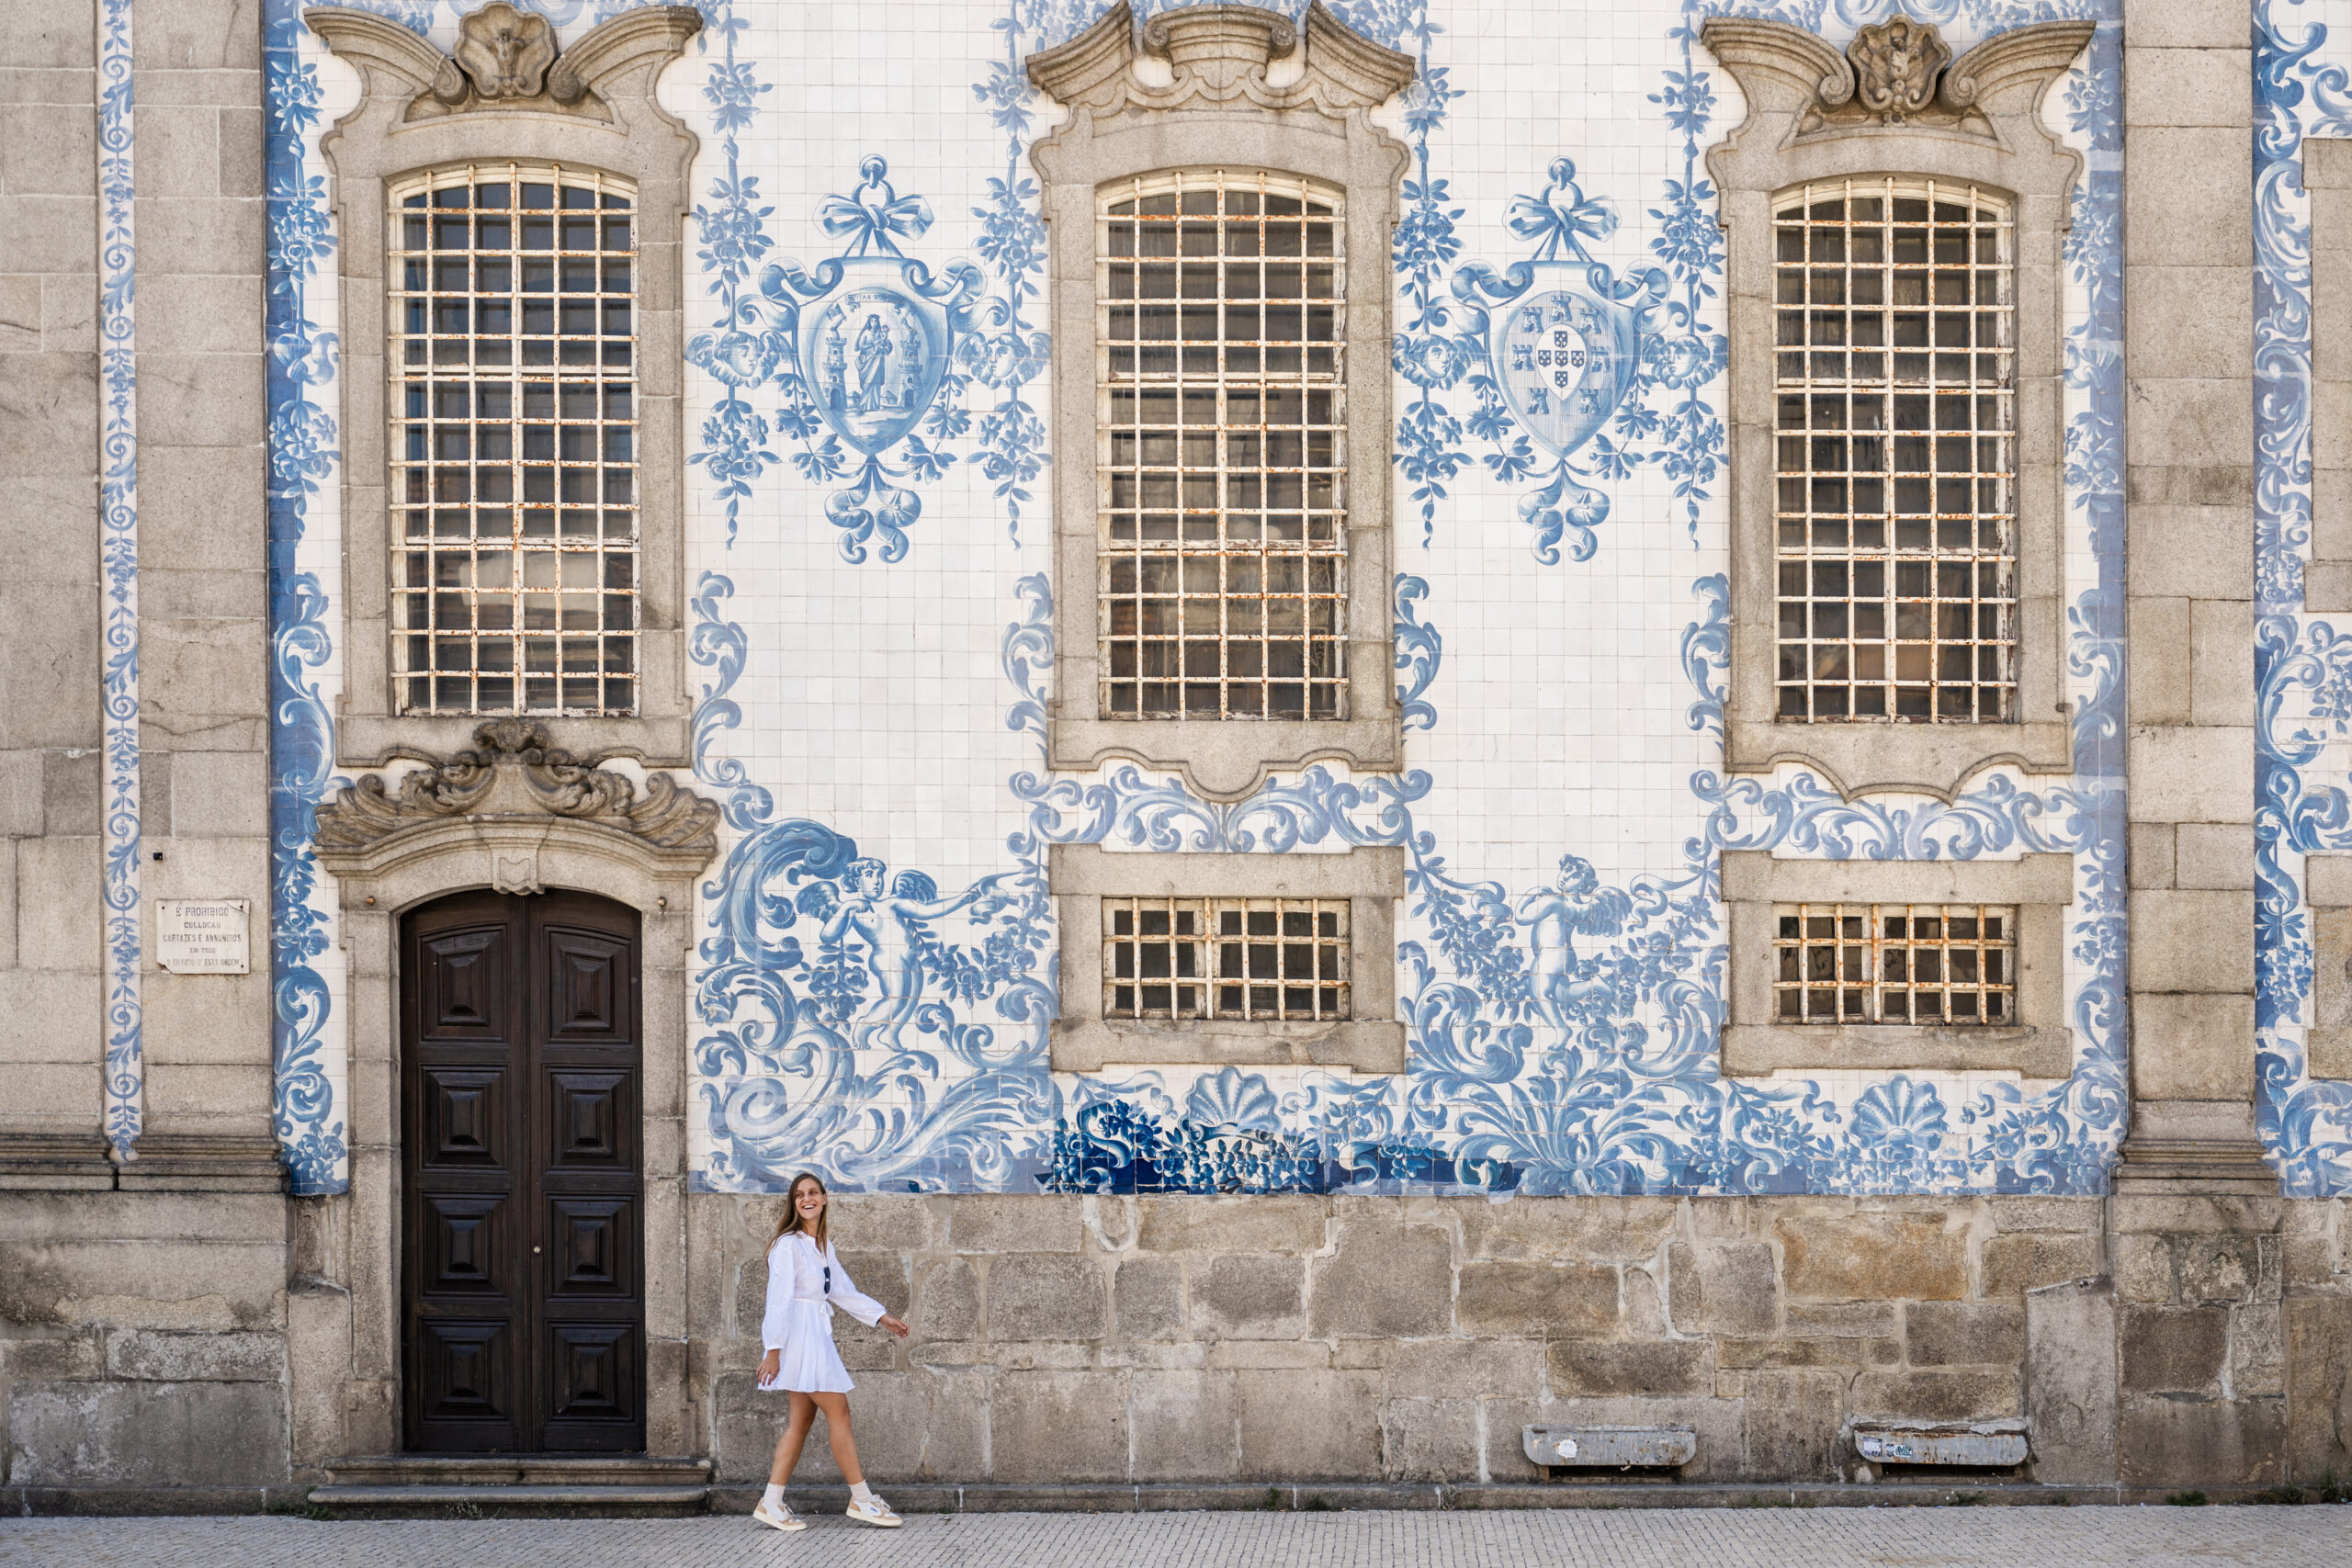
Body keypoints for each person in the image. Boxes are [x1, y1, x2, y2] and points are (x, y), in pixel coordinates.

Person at [752, 1171, 912, 1532]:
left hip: (814, 1335)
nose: (806, 1199)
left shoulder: (823, 1246)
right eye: (799, 1195)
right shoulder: (787, 1245)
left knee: (801, 1420)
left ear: (824, 1198)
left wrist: (881, 1316)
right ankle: (863, 1499)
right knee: (839, 1410)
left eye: (813, 1193)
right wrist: (772, 1350)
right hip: (798, 1337)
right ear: (793, 1204)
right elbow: (777, 1301)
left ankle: (772, 1502)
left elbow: (842, 1290)